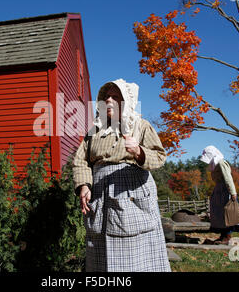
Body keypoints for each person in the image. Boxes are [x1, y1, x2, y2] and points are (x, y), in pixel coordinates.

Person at [72, 78, 171, 272]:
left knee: (135, 250)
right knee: (99, 245)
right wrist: (84, 185)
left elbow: (159, 156)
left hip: (132, 194)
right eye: (106, 96)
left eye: (115, 96)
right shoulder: (94, 131)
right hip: (100, 196)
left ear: (125, 101)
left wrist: (139, 151)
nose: (108, 100)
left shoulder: (141, 126)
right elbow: (81, 160)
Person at [200, 145, 239, 245]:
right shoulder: (216, 164)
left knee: (226, 213)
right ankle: (223, 235)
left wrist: (233, 192)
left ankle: (227, 236)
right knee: (219, 213)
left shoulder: (221, 163)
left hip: (225, 190)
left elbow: (228, 178)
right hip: (219, 190)